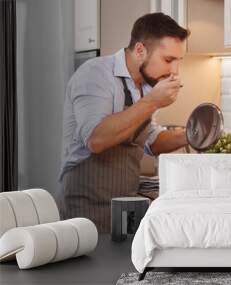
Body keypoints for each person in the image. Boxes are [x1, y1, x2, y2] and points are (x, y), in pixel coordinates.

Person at [58, 13, 190, 233]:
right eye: (168, 60)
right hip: (85, 206)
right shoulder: (96, 74)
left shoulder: (144, 87)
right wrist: (152, 101)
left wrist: (190, 134)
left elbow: (151, 140)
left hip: (124, 203)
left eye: (179, 61)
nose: (175, 71)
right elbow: (95, 139)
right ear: (140, 50)